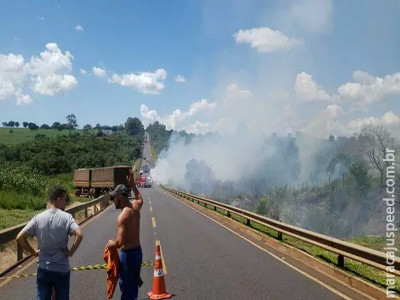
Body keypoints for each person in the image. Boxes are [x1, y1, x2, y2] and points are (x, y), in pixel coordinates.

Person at [16, 186, 83, 300]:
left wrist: (33, 253)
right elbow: (79, 234)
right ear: (58, 199)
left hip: (44, 268)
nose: (65, 203)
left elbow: (20, 237)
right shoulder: (67, 218)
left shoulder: (38, 218)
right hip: (61, 269)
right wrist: (70, 252)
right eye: (64, 200)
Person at [107, 169, 143, 300]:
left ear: (120, 198)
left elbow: (120, 242)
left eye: (114, 198)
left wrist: (111, 243)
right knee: (133, 288)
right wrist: (132, 185)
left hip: (127, 256)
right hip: (138, 252)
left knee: (126, 290)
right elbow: (140, 198)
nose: (113, 201)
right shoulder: (135, 207)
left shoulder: (122, 216)